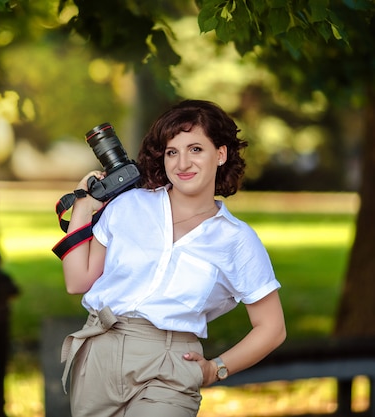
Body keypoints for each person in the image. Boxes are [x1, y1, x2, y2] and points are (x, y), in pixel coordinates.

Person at [59, 99, 286, 417]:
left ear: (220, 154)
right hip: (100, 352)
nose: (182, 163)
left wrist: (216, 368)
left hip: (170, 363)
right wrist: (83, 207)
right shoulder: (129, 206)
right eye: (172, 152)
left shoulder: (236, 239)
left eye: (196, 149)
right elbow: (78, 281)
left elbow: (272, 327)